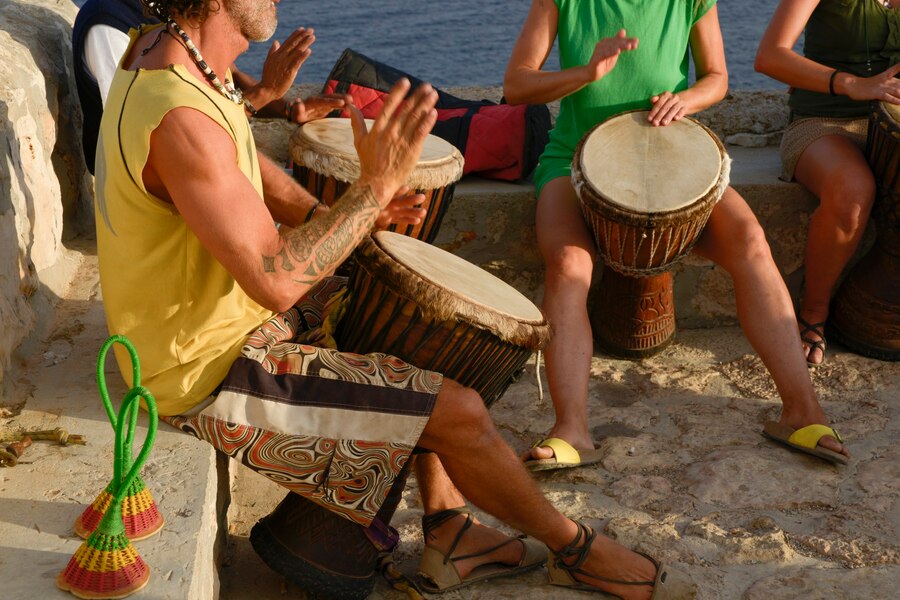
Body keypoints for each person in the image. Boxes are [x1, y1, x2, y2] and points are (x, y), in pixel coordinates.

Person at [94, 0, 698, 598]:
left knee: (426, 318)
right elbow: (274, 280)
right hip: (201, 367)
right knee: (457, 410)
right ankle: (578, 553)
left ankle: (450, 529)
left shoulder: (168, 53)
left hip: (226, 319)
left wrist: (340, 213)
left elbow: (240, 164)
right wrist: (373, 187)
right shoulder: (180, 114)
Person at [503, 0, 851, 468]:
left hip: (671, 156)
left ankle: (801, 410)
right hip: (574, 159)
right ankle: (572, 430)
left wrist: (687, 99)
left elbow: (717, 78)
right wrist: (586, 73)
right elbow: (517, 84)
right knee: (568, 264)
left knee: (750, 240)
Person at [755, 0, 900, 366]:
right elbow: (770, 56)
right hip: (825, 120)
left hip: (894, 124)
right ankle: (813, 313)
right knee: (852, 191)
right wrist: (852, 84)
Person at [72, 0, 346, 174]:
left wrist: (287, 108)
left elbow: (226, 78)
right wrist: (263, 94)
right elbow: (136, 144)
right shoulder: (109, 25)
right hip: (153, 193)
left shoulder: (171, 11)